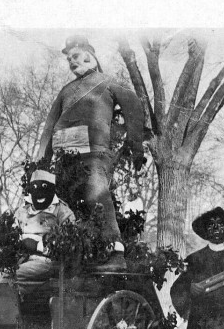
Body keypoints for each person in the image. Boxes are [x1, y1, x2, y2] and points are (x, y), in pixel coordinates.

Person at [36, 35, 145, 272]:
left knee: (98, 197)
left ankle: (116, 252)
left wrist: (136, 147)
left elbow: (134, 108)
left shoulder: (107, 83)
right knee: (69, 206)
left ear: (88, 54)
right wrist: (40, 162)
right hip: (63, 159)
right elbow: (48, 126)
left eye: (75, 56)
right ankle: (79, 255)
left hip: (94, 155)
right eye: (69, 59)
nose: (72, 62)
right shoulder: (65, 91)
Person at [0, 170, 75, 329]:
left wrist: (40, 245)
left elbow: (71, 243)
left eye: (44, 189)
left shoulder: (63, 211)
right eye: (34, 189)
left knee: (8, 278)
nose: (39, 194)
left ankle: (6, 316)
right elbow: (11, 233)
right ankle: (2, 323)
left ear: (51, 190)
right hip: (21, 258)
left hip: (48, 262)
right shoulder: (22, 210)